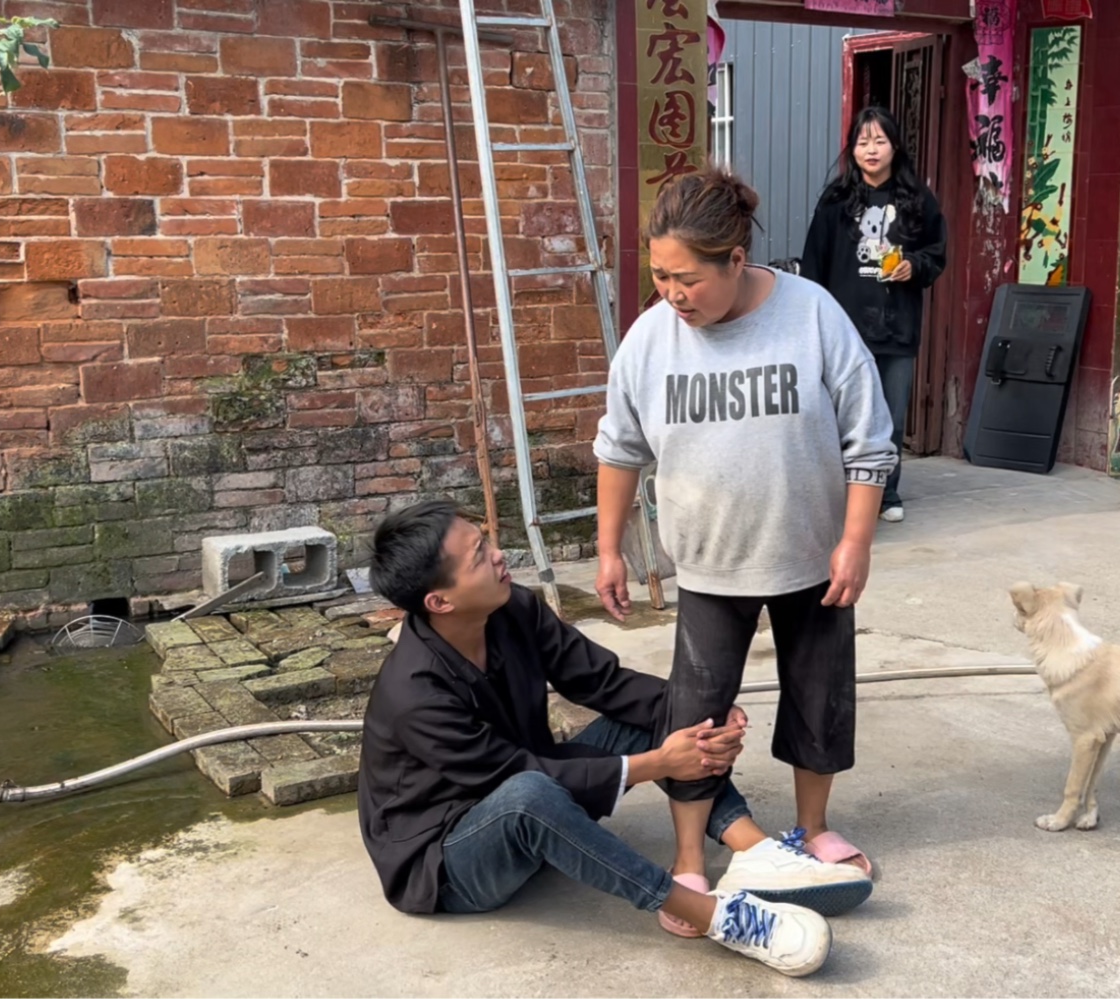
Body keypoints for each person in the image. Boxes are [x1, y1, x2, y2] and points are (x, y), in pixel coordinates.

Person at [357, 499, 872, 978]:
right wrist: (660, 763)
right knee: (530, 797)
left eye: (487, 542)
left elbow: (598, 681)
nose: (498, 556)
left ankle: (757, 852)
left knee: (671, 712)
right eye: (478, 556)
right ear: (439, 600)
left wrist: (696, 713)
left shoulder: (514, 608)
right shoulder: (414, 693)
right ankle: (714, 915)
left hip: (532, 785)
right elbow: (517, 777)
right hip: (451, 859)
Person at [593, 168, 898, 914]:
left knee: (819, 698)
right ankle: (691, 855)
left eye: (689, 278)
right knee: (694, 716)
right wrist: (609, 548)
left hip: (810, 556)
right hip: (708, 563)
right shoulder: (648, 339)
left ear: (735, 258)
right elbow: (618, 447)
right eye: (660, 275)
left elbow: (870, 441)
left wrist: (855, 540)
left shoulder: (811, 314)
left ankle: (813, 827)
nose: (673, 293)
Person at [800, 106, 949, 524]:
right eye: (863, 141)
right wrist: (813, 322)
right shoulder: (836, 202)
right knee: (837, 414)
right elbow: (815, 264)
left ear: (894, 147)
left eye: (879, 141)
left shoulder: (918, 200)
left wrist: (914, 266)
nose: (871, 149)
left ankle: (887, 493)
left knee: (889, 414)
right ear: (852, 148)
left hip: (896, 324)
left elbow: (936, 253)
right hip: (843, 329)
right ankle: (837, 490)